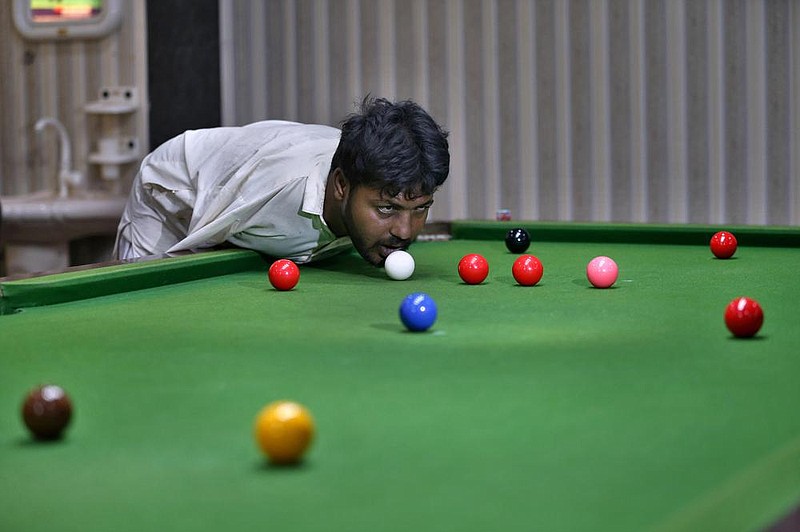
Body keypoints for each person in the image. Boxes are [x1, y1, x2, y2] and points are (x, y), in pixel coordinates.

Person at [114, 97, 450, 266]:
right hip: (172, 190)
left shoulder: (366, 175)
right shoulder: (277, 191)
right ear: (341, 187)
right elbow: (192, 255)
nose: (406, 231)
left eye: (420, 209)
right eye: (387, 208)